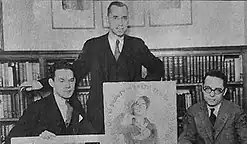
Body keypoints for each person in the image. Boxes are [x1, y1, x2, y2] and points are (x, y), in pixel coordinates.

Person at [24, 1, 164, 134]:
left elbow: (158, 67)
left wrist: (141, 87)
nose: (120, 23)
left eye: (124, 18)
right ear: (107, 19)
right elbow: (75, 71)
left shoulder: (137, 45)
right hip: (99, 115)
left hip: (129, 112)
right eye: (115, 18)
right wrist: (41, 83)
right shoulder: (93, 46)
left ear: (128, 20)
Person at [5, 61, 96, 144]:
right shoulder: (37, 108)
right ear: (51, 83)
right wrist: (38, 136)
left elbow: (91, 136)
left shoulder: (76, 105)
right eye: (62, 81)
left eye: (71, 80)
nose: (68, 85)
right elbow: (10, 140)